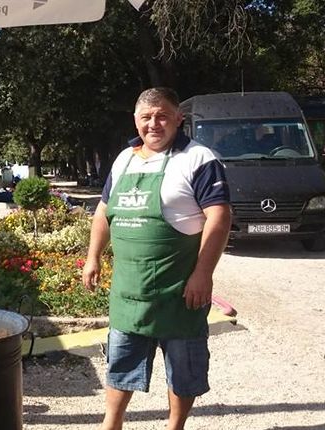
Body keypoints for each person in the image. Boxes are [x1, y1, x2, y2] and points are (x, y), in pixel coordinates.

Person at [82, 87, 231, 430]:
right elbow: (103, 213)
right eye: (146, 117)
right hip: (129, 293)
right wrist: (93, 257)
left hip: (179, 292)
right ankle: (111, 425)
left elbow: (220, 218)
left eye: (162, 116)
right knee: (120, 366)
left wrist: (203, 274)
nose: (154, 124)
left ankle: (174, 427)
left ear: (179, 118)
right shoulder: (124, 159)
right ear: (136, 121)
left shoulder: (199, 159)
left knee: (183, 371)